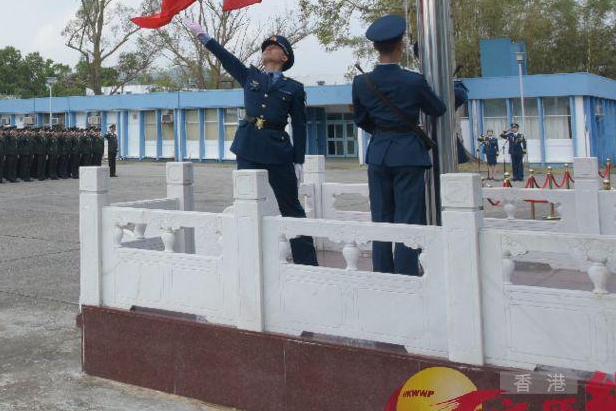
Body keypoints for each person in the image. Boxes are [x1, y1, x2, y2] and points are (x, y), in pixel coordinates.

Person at [184, 18, 318, 266]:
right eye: (266, 46)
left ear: (285, 58)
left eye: (275, 47)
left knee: (292, 207)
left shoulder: (295, 88)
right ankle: (247, 260)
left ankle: (307, 264)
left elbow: (299, 125)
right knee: (245, 204)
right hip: (248, 146)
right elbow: (227, 58)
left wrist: (298, 159)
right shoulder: (251, 76)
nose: (268, 48)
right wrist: (204, 37)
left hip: (278, 150)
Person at [351, 15, 449, 276]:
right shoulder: (414, 81)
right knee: (408, 217)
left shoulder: (361, 82)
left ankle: (382, 271)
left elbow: (361, 119)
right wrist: (456, 91)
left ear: (375, 47)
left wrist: (383, 133)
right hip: (408, 153)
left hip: (379, 153)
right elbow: (438, 109)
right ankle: (405, 272)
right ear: (400, 45)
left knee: (381, 216)